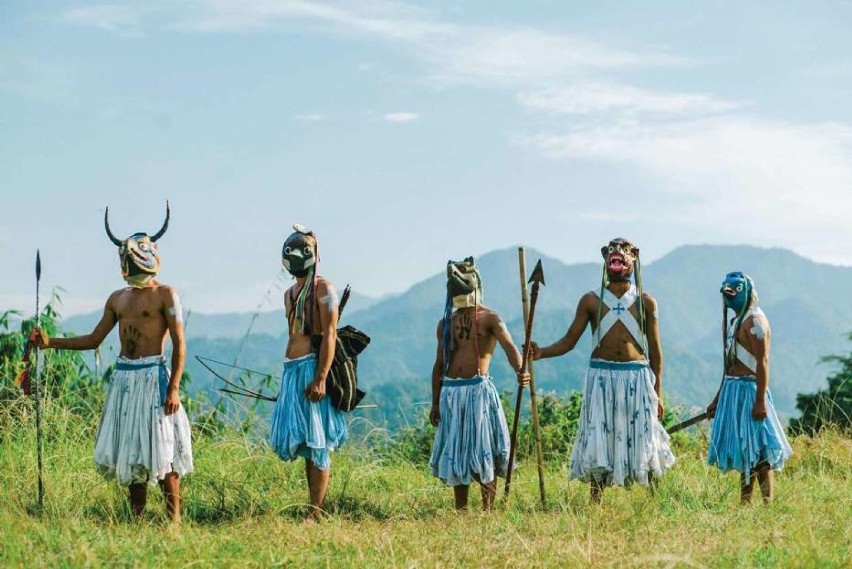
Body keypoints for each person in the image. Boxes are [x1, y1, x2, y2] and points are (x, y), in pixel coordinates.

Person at [32, 203, 192, 523]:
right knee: (132, 448)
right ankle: (136, 520)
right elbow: (93, 339)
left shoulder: (166, 294)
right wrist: (50, 343)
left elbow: (179, 344)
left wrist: (173, 388)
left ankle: (173, 523)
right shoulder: (118, 298)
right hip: (124, 378)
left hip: (153, 376)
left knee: (162, 448)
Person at [531, 238, 674, 502]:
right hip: (601, 377)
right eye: (611, 249)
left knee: (645, 435)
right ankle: (594, 502)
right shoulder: (590, 301)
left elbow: (656, 352)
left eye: (625, 249)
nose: (617, 252)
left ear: (635, 257)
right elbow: (568, 341)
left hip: (637, 377)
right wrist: (541, 353)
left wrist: (658, 392)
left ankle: (655, 502)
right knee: (600, 433)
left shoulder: (646, 302)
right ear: (604, 258)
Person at [429, 257, 530, 510]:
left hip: (478, 391)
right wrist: (434, 402)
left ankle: (487, 509)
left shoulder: (490, 318)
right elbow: (439, 364)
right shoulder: (445, 323)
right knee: (457, 450)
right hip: (451, 392)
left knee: (484, 446)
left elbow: (509, 347)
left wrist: (521, 369)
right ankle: (461, 509)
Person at [268, 224, 348, 523]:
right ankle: (312, 507)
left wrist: (321, 377)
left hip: (312, 368)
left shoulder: (323, 289)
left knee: (318, 442)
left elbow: (329, 333)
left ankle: (315, 512)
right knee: (306, 442)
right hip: (293, 370)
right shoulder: (290, 292)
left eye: (304, 248)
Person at [706, 272, 792, 504]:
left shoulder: (755, 322)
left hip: (751, 392)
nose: (728, 295)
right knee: (746, 451)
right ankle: (745, 502)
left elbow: (762, 362)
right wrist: (718, 399)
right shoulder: (738, 320)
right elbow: (730, 366)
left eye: (734, 290)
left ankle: (767, 503)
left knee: (760, 451)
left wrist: (760, 400)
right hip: (734, 392)